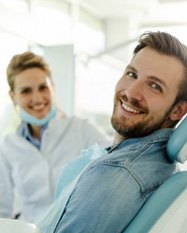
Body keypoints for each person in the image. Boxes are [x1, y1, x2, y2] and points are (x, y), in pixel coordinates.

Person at [0, 30, 187, 233]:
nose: (132, 93)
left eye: (154, 86)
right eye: (131, 74)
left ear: (178, 110)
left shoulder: (117, 173)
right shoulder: (146, 164)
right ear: (13, 97)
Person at [0, 51, 110, 223]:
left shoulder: (81, 128)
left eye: (43, 87)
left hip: (73, 228)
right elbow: (3, 209)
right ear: (13, 97)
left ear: (53, 87)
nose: (37, 98)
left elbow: (115, 158)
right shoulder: (8, 146)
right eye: (26, 91)